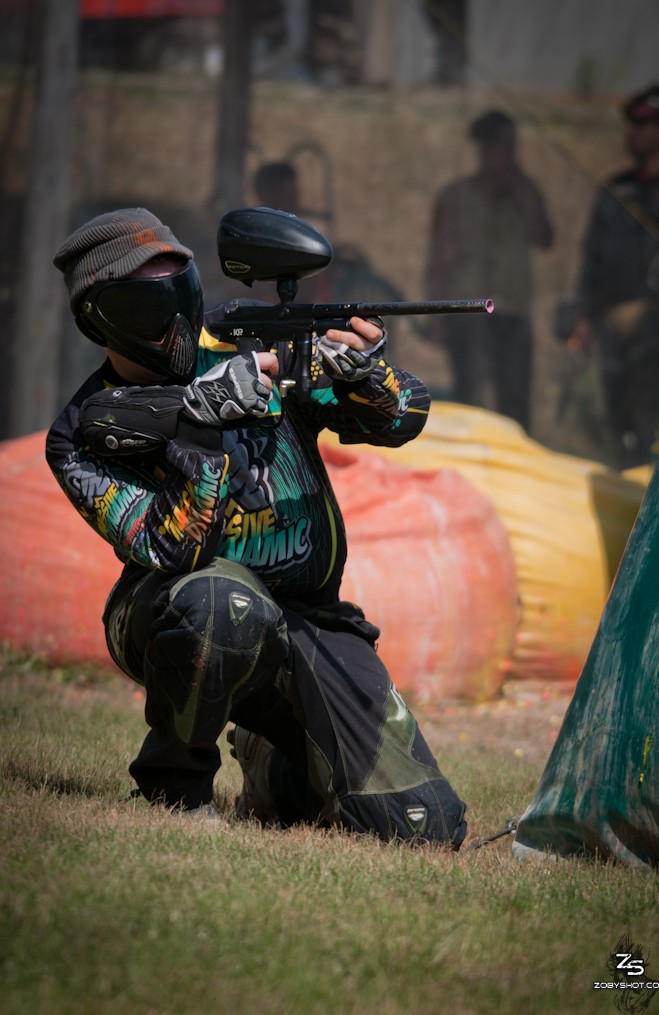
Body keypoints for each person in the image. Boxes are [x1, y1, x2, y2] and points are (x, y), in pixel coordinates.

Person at [45, 207, 468, 849]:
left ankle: (276, 764)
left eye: (179, 291)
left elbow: (401, 419)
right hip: (174, 611)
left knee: (424, 828)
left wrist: (365, 374)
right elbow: (171, 545)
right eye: (144, 303)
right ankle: (175, 786)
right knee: (224, 601)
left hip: (309, 621)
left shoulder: (256, 350)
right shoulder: (81, 435)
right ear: (101, 319)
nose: (172, 318)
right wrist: (202, 428)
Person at [425, 109, 554, 433]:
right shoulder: (455, 196)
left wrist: (520, 190)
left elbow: (545, 237)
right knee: (471, 399)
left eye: (512, 147)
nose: (507, 155)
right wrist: (435, 315)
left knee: (515, 402)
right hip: (467, 312)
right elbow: (438, 258)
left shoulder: (526, 192)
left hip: (512, 312)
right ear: (484, 148)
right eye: (501, 147)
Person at [574, 83, 659, 468]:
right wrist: (582, 314)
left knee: (651, 417)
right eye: (630, 124)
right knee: (616, 414)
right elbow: (592, 258)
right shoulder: (616, 190)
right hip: (612, 324)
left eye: (643, 123)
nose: (632, 132)